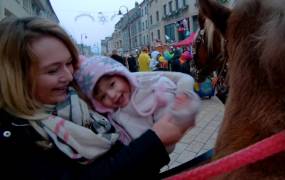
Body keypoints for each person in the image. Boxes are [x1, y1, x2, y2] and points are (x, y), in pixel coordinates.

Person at [0, 17, 194, 179]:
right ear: (16, 76)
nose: (68, 76)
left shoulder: (77, 99)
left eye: (69, 63)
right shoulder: (16, 139)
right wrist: (155, 141)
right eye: (52, 70)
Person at [74, 56, 200, 152]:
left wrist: (182, 112)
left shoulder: (156, 90)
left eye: (112, 84)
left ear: (122, 75)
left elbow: (169, 138)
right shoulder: (111, 114)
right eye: (103, 96)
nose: (111, 95)